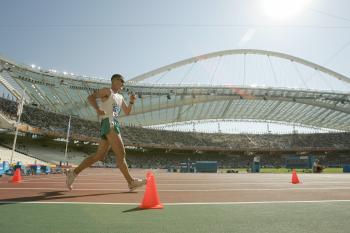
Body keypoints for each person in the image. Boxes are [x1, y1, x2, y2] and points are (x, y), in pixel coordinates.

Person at [65, 74, 146, 191]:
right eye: (121, 80)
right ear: (114, 81)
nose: (123, 83)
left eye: (124, 82)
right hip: (109, 122)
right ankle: (131, 182)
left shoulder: (120, 97)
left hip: (113, 123)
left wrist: (132, 102)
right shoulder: (107, 91)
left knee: (98, 156)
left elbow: (127, 111)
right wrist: (97, 109)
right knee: (121, 153)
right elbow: (90, 98)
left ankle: (73, 173)